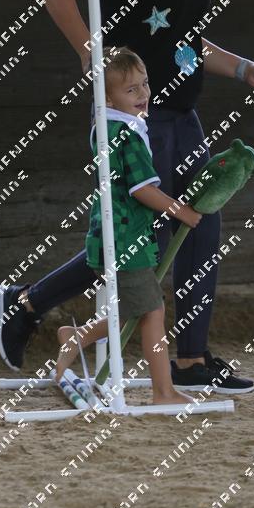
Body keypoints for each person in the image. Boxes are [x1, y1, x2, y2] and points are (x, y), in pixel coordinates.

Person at [0, 0, 254, 392]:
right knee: (136, 233)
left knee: (201, 225)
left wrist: (246, 69)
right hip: (136, 116)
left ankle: (192, 361)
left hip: (182, 112)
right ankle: (28, 302)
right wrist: (91, 55)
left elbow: (186, 40)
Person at [55, 46, 201, 405]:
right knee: (153, 311)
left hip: (112, 235)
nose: (143, 93)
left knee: (136, 308)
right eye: (131, 89)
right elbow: (143, 190)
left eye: (144, 84)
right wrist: (180, 211)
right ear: (107, 97)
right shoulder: (128, 135)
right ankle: (163, 392)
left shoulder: (107, 127)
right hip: (125, 239)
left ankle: (77, 336)